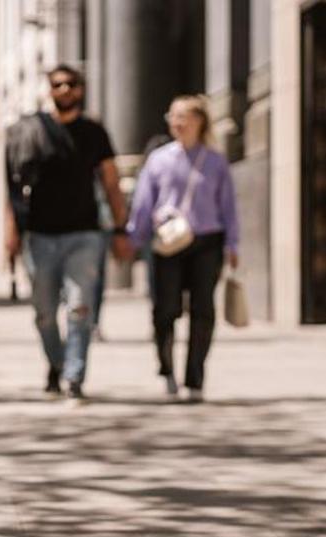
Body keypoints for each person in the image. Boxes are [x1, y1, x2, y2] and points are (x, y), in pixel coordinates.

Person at [4, 65, 128, 400]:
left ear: (81, 89)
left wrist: (119, 229)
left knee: (79, 307)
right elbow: (14, 189)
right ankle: (57, 363)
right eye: (57, 84)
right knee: (44, 313)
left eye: (71, 84)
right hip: (40, 236)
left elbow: (111, 182)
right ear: (50, 89)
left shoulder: (93, 132)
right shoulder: (31, 132)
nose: (64, 89)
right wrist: (11, 232)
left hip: (84, 235)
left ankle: (74, 375)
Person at [115, 95, 240, 402]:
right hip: (166, 242)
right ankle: (167, 368)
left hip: (206, 240)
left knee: (203, 311)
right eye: (174, 116)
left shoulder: (215, 161)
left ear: (200, 121)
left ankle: (195, 379)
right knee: (164, 309)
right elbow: (144, 203)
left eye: (185, 116)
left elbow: (228, 206)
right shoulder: (158, 159)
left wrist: (233, 243)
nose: (178, 123)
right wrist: (133, 239)